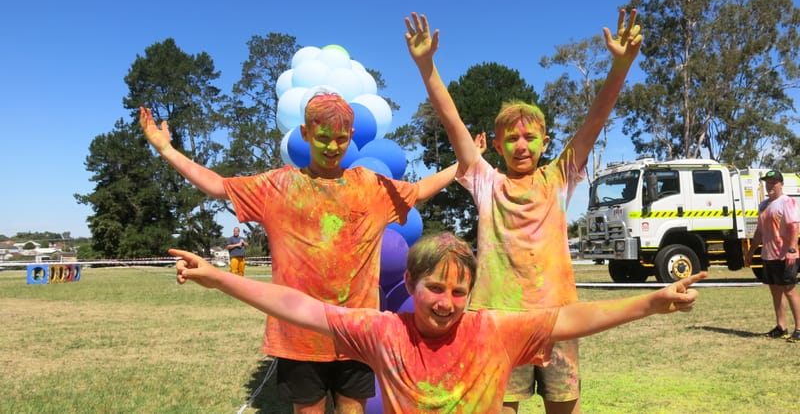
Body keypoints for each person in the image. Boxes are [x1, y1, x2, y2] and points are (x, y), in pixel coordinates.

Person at [139, 93, 459, 414]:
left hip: (358, 333)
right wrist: (166, 149)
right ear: (306, 133)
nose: (332, 147)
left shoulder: (371, 187)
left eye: (341, 138)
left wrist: (465, 161)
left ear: (350, 137)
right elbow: (218, 186)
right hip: (299, 336)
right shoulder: (277, 186)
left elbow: (420, 189)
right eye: (323, 138)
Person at [169, 232, 704, 413]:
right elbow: (298, 307)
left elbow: (569, 317)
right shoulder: (384, 331)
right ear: (413, 285)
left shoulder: (493, 329)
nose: (446, 302)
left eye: (458, 291)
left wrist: (648, 303)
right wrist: (218, 277)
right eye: (435, 288)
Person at [405, 9, 642, 413]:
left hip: (559, 317)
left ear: (544, 143)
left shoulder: (559, 177)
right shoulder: (486, 182)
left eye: (530, 137)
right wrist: (427, 66)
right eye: (511, 138)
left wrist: (620, 65)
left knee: (564, 405)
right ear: (496, 146)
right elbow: (452, 122)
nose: (520, 145)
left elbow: (594, 122)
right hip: (498, 318)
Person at [745, 170, 800, 343]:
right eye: (767, 182)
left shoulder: (787, 202)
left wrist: (792, 249)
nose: (770, 186)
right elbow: (760, 231)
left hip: (786, 255)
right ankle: (781, 327)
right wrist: (751, 251)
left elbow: (793, 228)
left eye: (773, 182)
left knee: (789, 291)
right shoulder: (763, 205)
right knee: (775, 292)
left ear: (781, 184)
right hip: (769, 255)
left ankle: (799, 329)